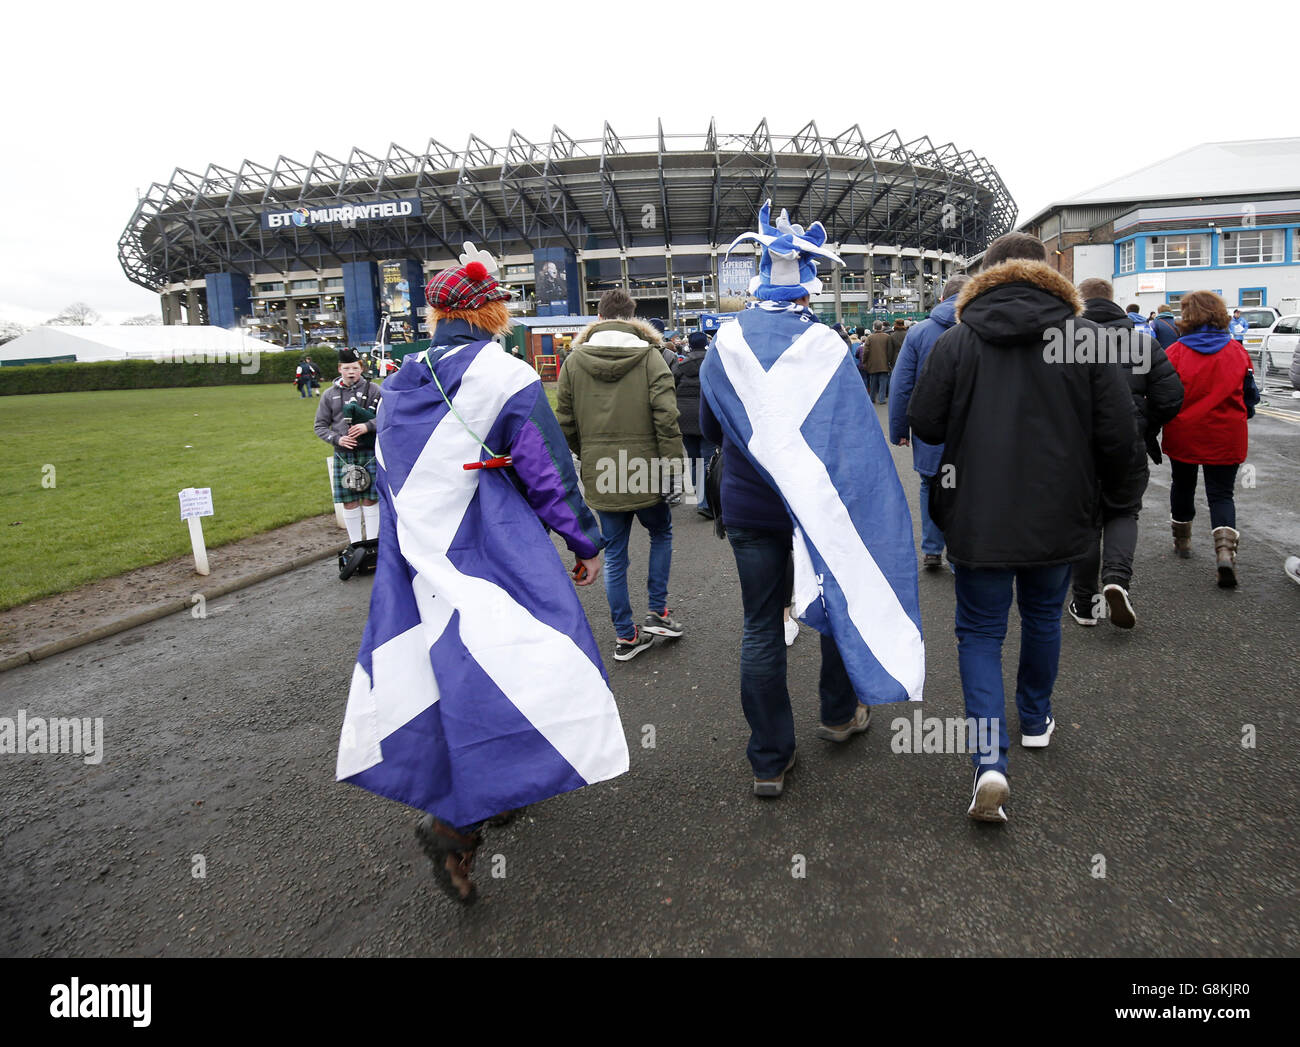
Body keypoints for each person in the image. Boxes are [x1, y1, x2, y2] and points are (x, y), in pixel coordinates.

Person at [336, 245, 624, 906]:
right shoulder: (506, 376)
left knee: (448, 678)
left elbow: (388, 470)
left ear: (438, 314)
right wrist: (583, 539)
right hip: (492, 551)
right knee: (539, 657)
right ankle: (457, 823)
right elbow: (547, 472)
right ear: (494, 311)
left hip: (419, 558)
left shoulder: (402, 379)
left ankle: (489, 797)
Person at [908, 232, 1133, 823]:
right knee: (1041, 616)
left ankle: (988, 761)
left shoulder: (959, 340)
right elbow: (1116, 433)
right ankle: (1035, 719)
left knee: (980, 632)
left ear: (985, 274)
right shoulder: (1084, 339)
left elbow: (926, 423)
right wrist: (1119, 500)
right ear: (1050, 273)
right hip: (1059, 509)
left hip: (977, 509)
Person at [701, 200, 924, 799]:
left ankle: (769, 760)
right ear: (806, 290)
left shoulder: (724, 344)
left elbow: (709, 430)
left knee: (758, 626)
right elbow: (850, 439)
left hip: (751, 511)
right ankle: (836, 714)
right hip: (818, 506)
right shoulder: (826, 346)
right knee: (833, 601)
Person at [556, 289, 687, 661]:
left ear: (598, 317)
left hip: (602, 471)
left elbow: (565, 421)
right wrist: (673, 469)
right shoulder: (651, 358)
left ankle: (626, 634)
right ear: (632, 316)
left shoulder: (573, 361)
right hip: (645, 468)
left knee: (614, 555)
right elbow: (666, 418)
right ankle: (659, 611)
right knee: (660, 532)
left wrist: (587, 454)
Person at [1069, 278, 1184, 628]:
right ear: (1115, 304)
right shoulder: (1142, 345)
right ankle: (1116, 579)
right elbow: (1171, 397)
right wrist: (1143, 426)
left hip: (1077, 448)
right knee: (1123, 512)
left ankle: (1086, 604)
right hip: (1128, 444)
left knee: (1086, 520)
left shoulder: (1061, 344)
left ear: (1079, 303)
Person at [1162, 290, 1260, 587]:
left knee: (1183, 483)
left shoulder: (1175, 353)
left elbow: (1164, 397)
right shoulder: (1237, 352)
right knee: (1221, 493)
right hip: (1225, 432)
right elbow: (1251, 396)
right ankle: (1225, 554)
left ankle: (1182, 541)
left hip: (1184, 431)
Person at [888, 274, 969, 570]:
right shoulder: (982, 327)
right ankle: (962, 550)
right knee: (966, 487)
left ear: (941, 298)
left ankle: (932, 548)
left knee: (931, 484)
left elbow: (902, 384)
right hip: (972, 430)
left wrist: (899, 429)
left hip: (930, 427)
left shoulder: (919, 332)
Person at [314, 348, 383, 570]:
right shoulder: (328, 395)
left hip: (368, 451)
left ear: (361, 368)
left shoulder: (374, 390)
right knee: (350, 502)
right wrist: (337, 439)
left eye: (354, 367)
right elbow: (320, 426)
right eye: (346, 368)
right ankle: (355, 547)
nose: (351, 372)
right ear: (339, 369)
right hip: (344, 455)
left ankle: (373, 545)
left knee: (371, 499)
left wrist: (367, 426)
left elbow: (387, 417)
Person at [672, 331, 717, 519]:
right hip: (706, 415)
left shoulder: (680, 365)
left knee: (693, 459)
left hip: (684, 417)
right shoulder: (713, 363)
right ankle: (706, 502)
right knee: (708, 460)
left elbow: (671, 386)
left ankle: (700, 498)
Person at [862, 320, 893, 403]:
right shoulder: (887, 337)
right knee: (883, 382)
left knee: (873, 383)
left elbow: (866, 351)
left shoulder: (870, 337)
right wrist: (889, 361)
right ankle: (881, 399)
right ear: (881, 327)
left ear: (874, 327)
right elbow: (890, 350)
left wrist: (864, 361)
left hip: (873, 364)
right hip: (884, 363)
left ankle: (872, 398)